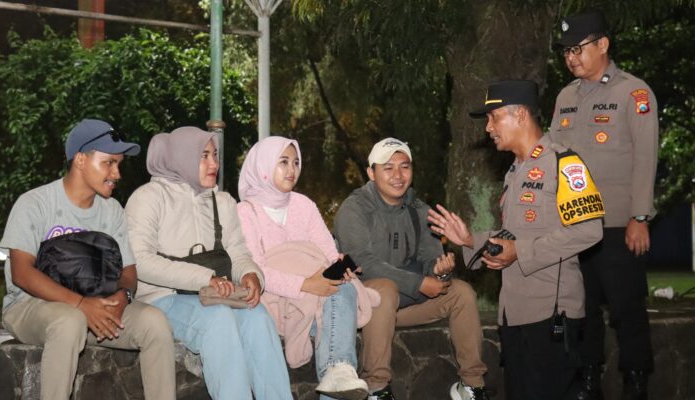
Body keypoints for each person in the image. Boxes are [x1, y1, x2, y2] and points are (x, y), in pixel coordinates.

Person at [428, 80, 604, 399]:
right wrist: (470, 240)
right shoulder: (515, 170)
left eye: (494, 117)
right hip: (515, 313)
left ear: (520, 115)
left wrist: (520, 251)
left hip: (551, 316)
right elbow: (515, 236)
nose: (488, 128)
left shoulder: (563, 163)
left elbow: (589, 230)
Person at [0, 118, 176, 400]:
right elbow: (22, 273)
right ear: (80, 160)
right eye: (109, 163)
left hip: (95, 306)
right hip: (30, 306)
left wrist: (122, 296)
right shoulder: (35, 203)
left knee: (154, 322)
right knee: (69, 321)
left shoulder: (112, 210)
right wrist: (81, 304)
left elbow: (128, 271)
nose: (116, 174)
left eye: (119, 164)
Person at [125, 126, 293, 400]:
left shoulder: (222, 201)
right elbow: (140, 261)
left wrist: (250, 274)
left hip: (215, 295)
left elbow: (238, 252)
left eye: (215, 155)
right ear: (182, 157)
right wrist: (204, 278)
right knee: (218, 320)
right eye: (204, 156)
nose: (214, 163)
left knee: (258, 317)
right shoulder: (148, 198)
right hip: (162, 298)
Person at [548, 10, 658, 399]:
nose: (571, 58)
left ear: (603, 45)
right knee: (582, 309)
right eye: (566, 52)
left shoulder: (634, 93)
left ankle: (636, 382)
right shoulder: (565, 97)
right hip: (574, 225)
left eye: (577, 49)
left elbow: (646, 158)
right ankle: (589, 379)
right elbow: (552, 156)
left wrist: (639, 216)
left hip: (618, 225)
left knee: (627, 309)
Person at [333, 137, 489, 400]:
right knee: (384, 289)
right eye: (388, 168)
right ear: (371, 173)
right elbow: (363, 263)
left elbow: (431, 260)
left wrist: (440, 271)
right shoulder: (355, 208)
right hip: (366, 306)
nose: (398, 175)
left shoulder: (419, 210)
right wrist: (419, 283)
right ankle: (376, 387)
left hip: (402, 306)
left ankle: (472, 385)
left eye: (404, 167)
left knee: (461, 293)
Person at [236, 136, 378, 400]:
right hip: (275, 302)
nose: (292, 169)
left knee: (344, 287)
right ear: (263, 165)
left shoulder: (304, 205)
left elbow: (327, 253)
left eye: (296, 162)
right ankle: (338, 371)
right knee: (338, 309)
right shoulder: (245, 212)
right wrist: (306, 284)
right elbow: (255, 270)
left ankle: (338, 371)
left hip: (317, 298)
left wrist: (340, 266)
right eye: (283, 162)